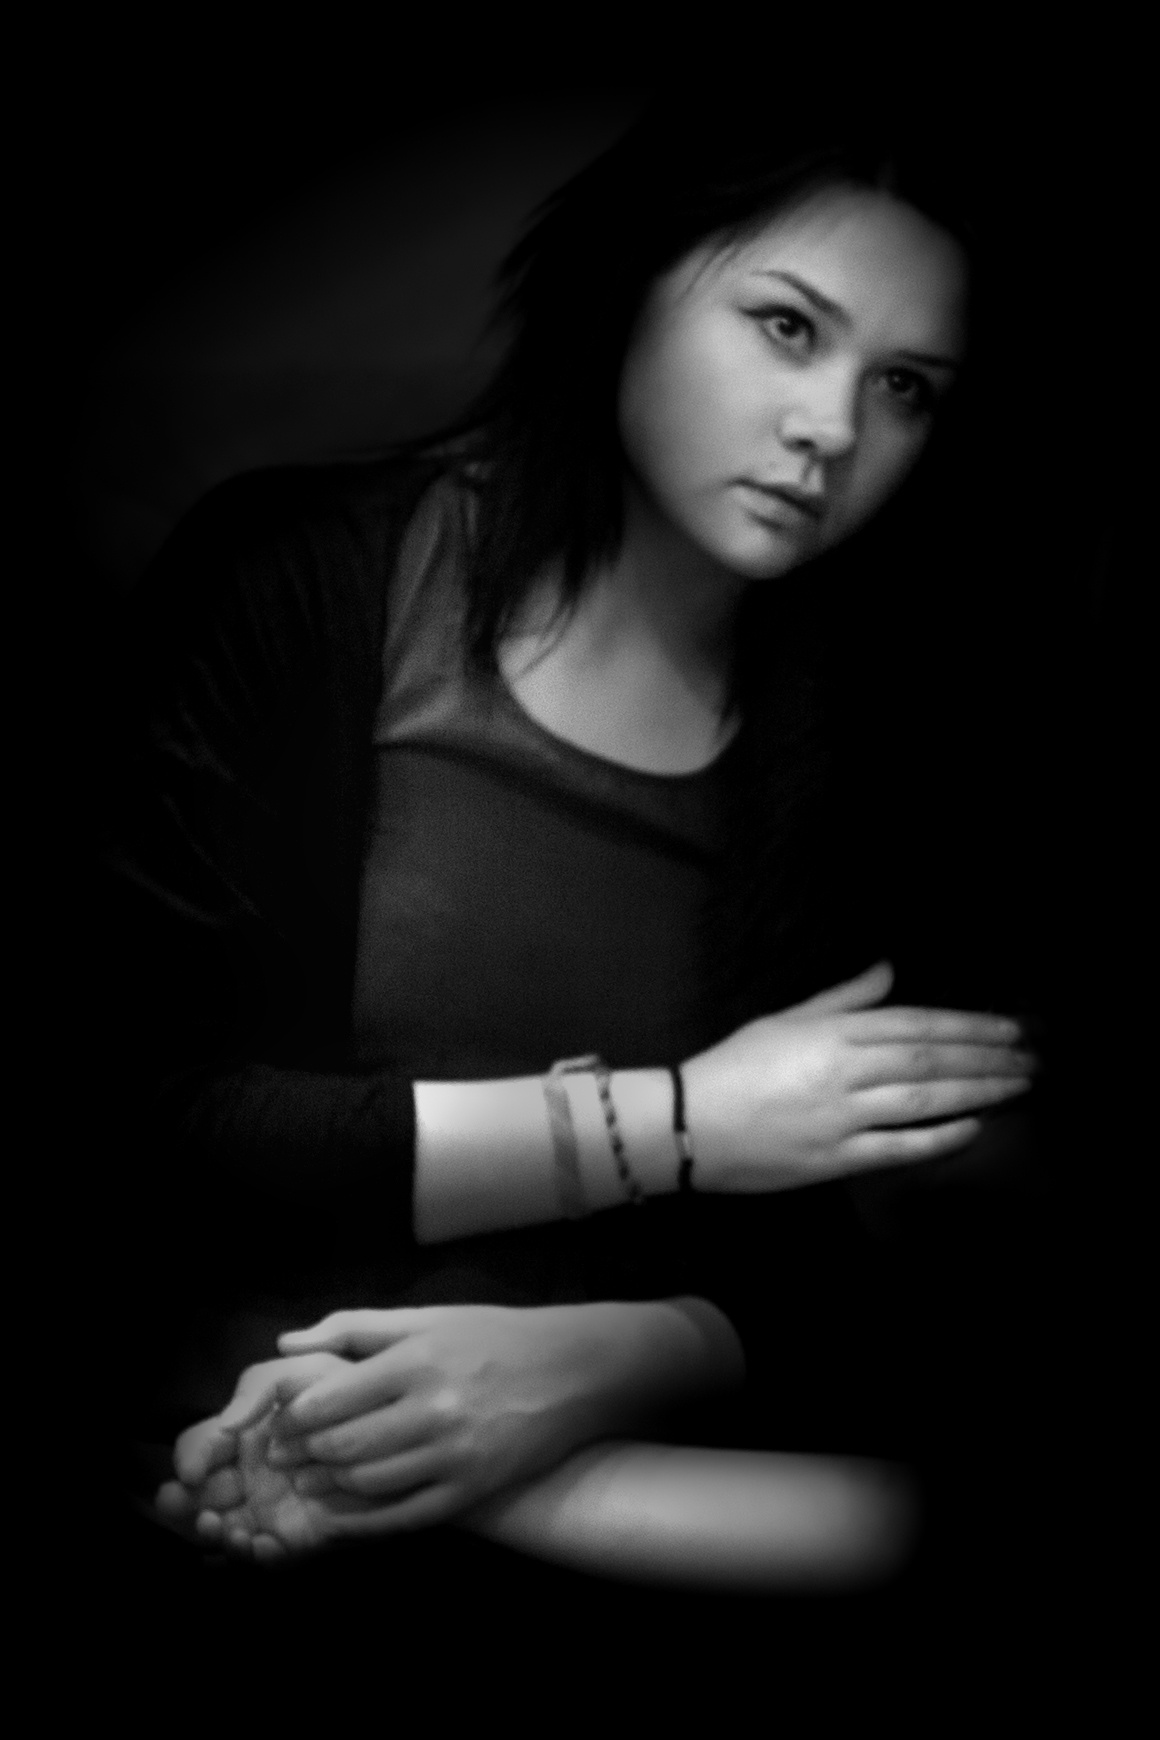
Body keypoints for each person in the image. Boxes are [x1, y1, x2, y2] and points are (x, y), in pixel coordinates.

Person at [98, 97, 1040, 1608]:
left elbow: (910, 1278)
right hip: (247, 1484)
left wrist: (626, 1352)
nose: (834, 430)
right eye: (787, 328)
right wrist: (681, 1125)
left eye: (907, 387)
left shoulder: (900, 744)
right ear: (628, 279)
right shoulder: (306, 584)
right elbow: (146, 1127)